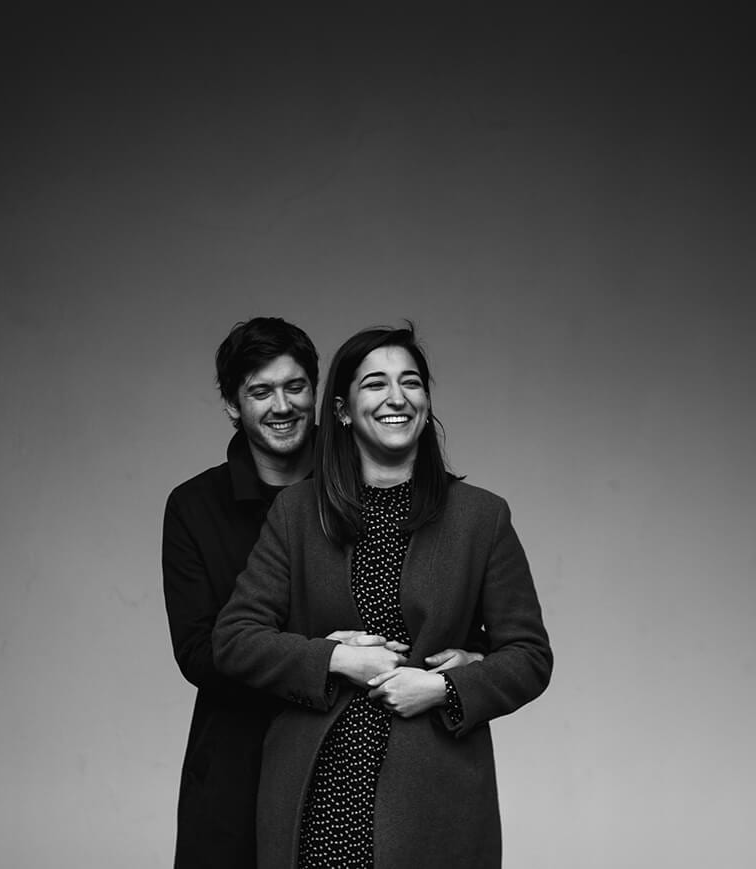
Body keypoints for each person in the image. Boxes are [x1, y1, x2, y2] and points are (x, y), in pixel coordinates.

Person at [213, 325, 552, 868]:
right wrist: (338, 659)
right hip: (318, 790)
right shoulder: (298, 513)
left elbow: (531, 657)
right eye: (376, 384)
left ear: (425, 403)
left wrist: (444, 686)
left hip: (436, 798)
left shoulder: (482, 517)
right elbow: (233, 639)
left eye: (411, 382)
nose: (397, 397)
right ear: (344, 410)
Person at [163, 318, 446, 867]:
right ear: (231, 404)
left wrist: (471, 653)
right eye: (260, 391)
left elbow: (431, 601)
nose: (282, 406)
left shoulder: (378, 476)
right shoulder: (194, 506)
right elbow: (200, 652)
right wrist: (329, 656)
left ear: (320, 394)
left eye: (295, 387)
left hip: (353, 757)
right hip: (237, 757)